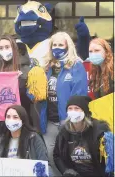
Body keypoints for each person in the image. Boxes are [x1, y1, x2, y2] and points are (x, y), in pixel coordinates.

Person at [42, 31, 88, 176]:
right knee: (51, 157)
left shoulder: (76, 65)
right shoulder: (46, 67)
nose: (57, 47)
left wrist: (72, 118)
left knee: (71, 158)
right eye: (54, 44)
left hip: (68, 121)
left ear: (68, 46)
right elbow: (36, 92)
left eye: (60, 44)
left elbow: (80, 94)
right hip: (49, 121)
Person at [0, 34, 34, 147]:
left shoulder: (26, 70)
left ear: (14, 48)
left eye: (7, 47)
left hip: (18, 121)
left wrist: (22, 81)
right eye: (1, 48)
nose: (4, 50)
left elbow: (31, 99)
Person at [53, 95, 113, 177]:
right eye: (70, 108)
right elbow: (57, 155)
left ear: (84, 111)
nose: (73, 111)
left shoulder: (99, 130)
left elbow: (110, 160)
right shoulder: (64, 132)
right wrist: (66, 170)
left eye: (76, 108)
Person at [0, 105, 51, 175]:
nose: (11, 120)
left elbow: (43, 163)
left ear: (23, 121)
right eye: (8, 117)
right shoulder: (1, 140)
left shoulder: (33, 138)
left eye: (15, 117)